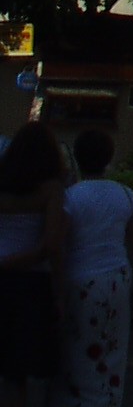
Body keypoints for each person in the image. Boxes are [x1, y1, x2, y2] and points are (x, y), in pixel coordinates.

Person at [54, 129, 133, 407]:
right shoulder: (124, 194)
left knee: (76, 353)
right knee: (112, 352)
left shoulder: (70, 197)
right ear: (109, 158)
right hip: (117, 281)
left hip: (80, 281)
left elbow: (58, 245)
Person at [0, 122, 66, 407]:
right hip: (30, 283)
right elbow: (50, 246)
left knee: (6, 367)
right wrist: (60, 293)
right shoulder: (51, 189)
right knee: (23, 367)